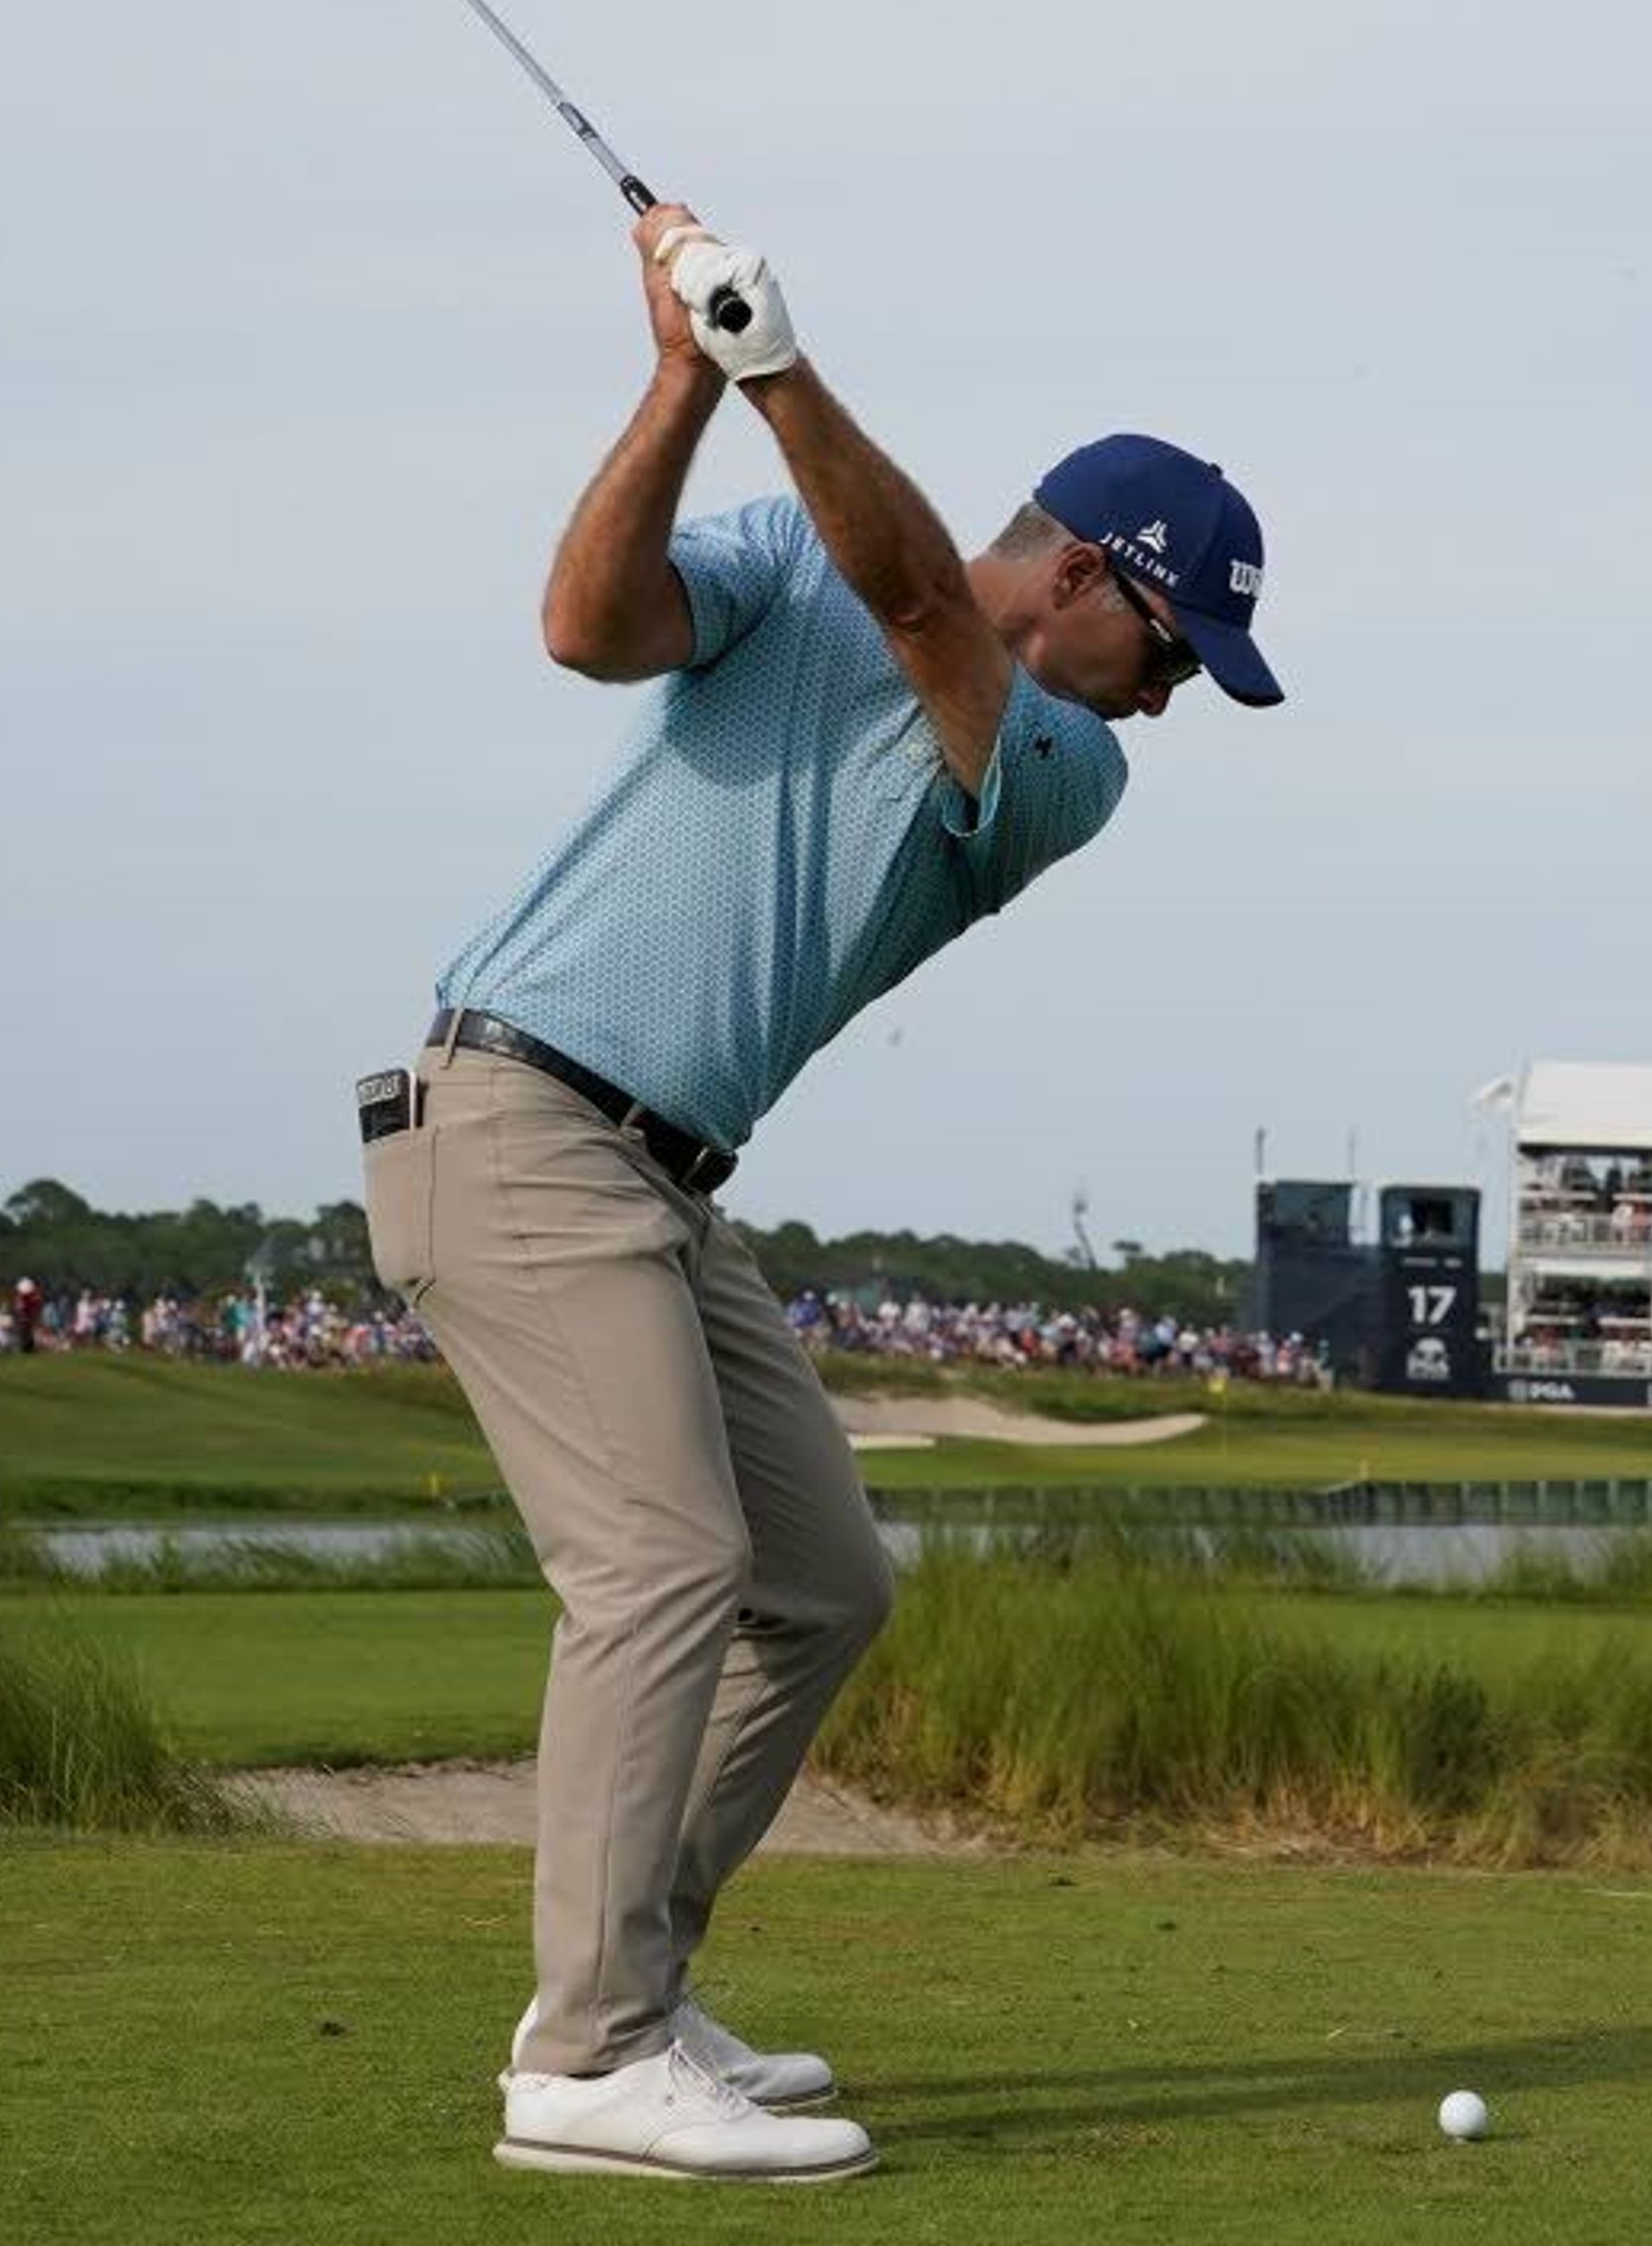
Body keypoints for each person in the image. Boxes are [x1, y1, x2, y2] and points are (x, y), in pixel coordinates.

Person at [359, 203, 1284, 2185]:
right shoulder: (790, 550)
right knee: (667, 1561)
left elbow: (929, 614)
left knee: (823, 1579)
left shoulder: (1055, 766)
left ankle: (637, 1980)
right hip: (515, 1117)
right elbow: (586, 624)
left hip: (656, 1181)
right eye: (1179, 649)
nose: (1171, 700)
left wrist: (774, 368)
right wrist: (691, 379)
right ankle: (586, 2054)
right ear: (1095, 583)